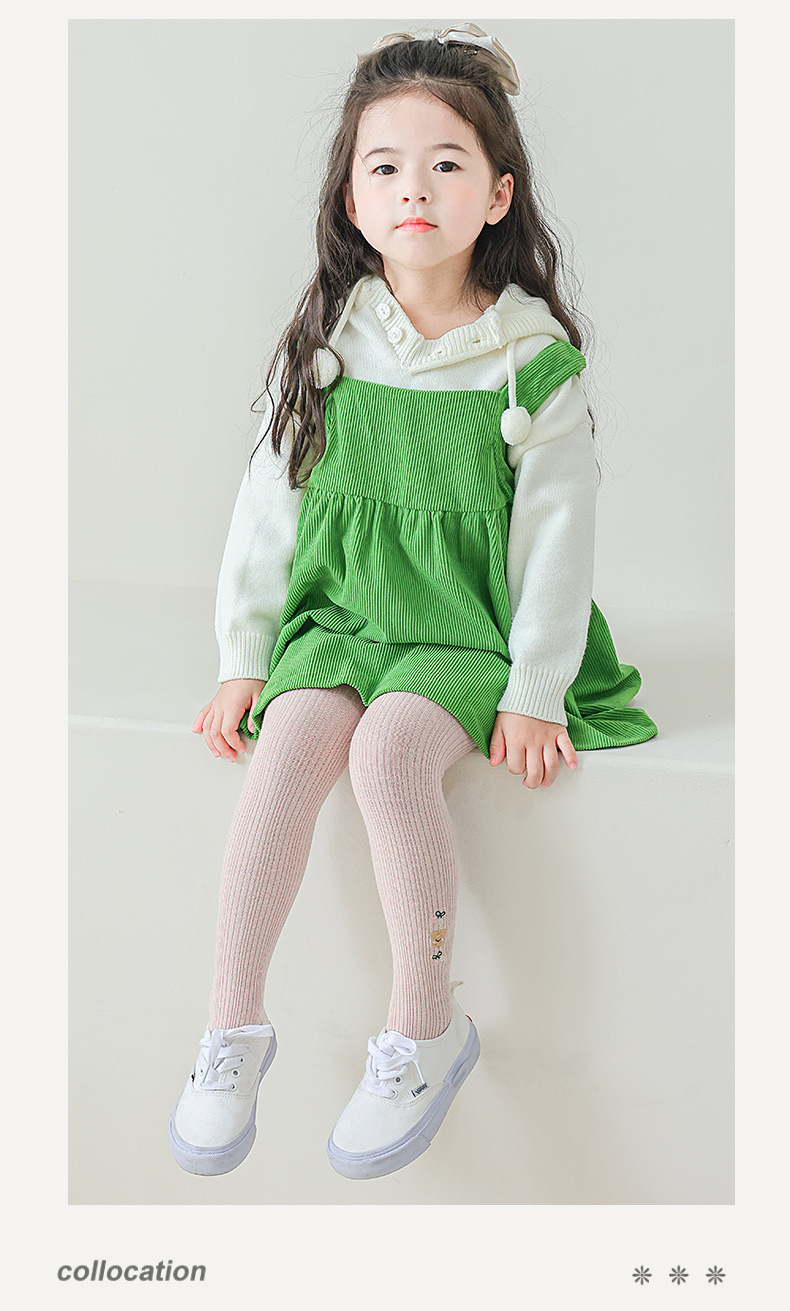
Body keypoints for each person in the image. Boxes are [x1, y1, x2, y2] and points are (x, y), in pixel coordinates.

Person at [168, 22, 657, 1183]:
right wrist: (245, 655)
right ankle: (231, 1030)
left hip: (465, 632)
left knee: (389, 754)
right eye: (384, 166)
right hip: (341, 618)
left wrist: (536, 686)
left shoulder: (528, 359)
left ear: (497, 194)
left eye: (445, 164)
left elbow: (556, 541)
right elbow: (268, 504)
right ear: (351, 198)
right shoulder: (330, 339)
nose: (414, 189)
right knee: (294, 738)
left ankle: (423, 1030)